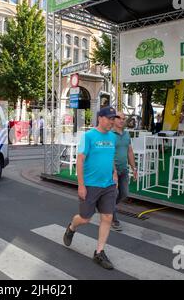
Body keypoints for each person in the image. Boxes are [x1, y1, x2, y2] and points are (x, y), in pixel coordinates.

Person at [63, 106, 119, 270]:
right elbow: (80, 160)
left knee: (107, 217)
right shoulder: (88, 136)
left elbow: (110, 157)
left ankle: (99, 252)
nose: (111, 121)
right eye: (109, 118)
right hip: (90, 185)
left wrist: (114, 173)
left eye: (113, 118)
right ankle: (72, 227)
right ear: (100, 118)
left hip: (108, 184)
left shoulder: (112, 137)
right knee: (85, 218)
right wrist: (81, 185)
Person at [111, 112, 138, 231]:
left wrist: (134, 168)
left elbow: (129, 152)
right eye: (119, 118)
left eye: (123, 118)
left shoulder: (127, 135)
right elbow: (109, 155)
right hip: (111, 171)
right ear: (113, 119)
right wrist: (114, 171)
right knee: (113, 195)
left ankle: (106, 207)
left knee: (124, 193)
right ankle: (113, 219)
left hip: (124, 170)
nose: (122, 120)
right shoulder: (109, 135)